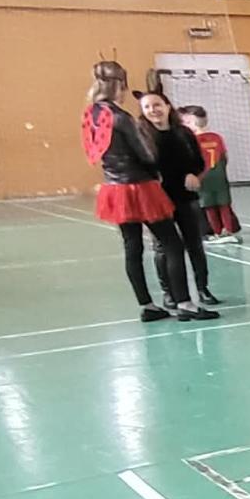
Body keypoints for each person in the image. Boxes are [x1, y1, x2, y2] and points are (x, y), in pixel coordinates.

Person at [82, 61, 214, 323]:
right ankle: (184, 303)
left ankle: (147, 305)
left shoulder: (92, 115)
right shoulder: (121, 117)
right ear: (119, 85)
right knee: (172, 243)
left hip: (114, 188)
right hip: (139, 187)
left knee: (132, 247)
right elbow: (146, 154)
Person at [138, 92, 219, 307]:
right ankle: (169, 293)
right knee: (162, 247)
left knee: (194, 243)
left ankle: (202, 288)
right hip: (157, 199)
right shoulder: (142, 136)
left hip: (185, 196)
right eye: (147, 107)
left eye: (157, 105)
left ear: (167, 106)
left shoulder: (183, 133)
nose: (153, 110)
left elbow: (199, 161)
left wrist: (194, 174)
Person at [179, 105, 240, 243]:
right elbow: (225, 156)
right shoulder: (217, 137)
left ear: (192, 122)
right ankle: (228, 231)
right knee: (224, 205)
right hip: (219, 177)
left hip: (203, 177)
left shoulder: (192, 140)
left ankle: (217, 233)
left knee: (209, 207)